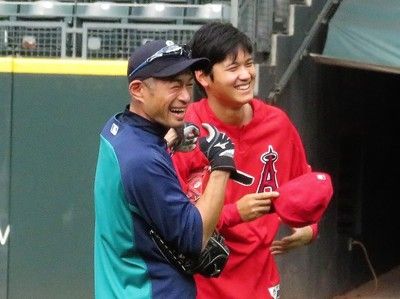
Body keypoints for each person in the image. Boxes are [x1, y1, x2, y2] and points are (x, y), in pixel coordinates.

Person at [171, 22, 321, 299]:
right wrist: (235, 213)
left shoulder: (278, 124)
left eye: (249, 64)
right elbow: (172, 221)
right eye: (232, 67)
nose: (245, 75)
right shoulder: (186, 130)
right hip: (200, 280)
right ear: (203, 76)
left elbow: (305, 186)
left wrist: (309, 228)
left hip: (259, 278)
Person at [93, 39, 238, 299]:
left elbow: (138, 173)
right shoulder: (143, 160)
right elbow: (196, 238)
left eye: (189, 85)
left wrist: (167, 142)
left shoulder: (117, 130)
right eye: (174, 86)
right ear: (137, 89)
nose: (185, 96)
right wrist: (222, 163)